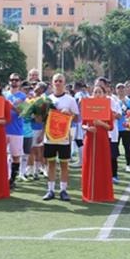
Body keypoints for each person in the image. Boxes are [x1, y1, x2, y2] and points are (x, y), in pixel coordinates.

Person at [42, 73, 79, 201]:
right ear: (52, 83)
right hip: (50, 136)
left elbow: (77, 118)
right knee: (51, 163)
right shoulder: (47, 99)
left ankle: (63, 190)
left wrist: (69, 113)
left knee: (64, 164)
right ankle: (50, 190)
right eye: (56, 81)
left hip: (64, 137)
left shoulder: (70, 100)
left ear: (64, 83)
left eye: (60, 81)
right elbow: (41, 119)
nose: (58, 83)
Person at [80, 84, 115, 202]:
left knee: (102, 165)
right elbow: (83, 124)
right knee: (89, 164)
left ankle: (103, 194)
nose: (97, 94)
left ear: (104, 94)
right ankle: (88, 193)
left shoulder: (107, 109)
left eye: (100, 92)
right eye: (95, 92)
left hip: (102, 140)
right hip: (90, 139)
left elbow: (110, 127)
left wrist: (101, 123)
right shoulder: (88, 107)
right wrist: (87, 128)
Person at [4, 73, 26, 189]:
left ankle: (12, 179)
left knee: (16, 156)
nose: (14, 82)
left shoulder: (23, 96)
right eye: (12, 80)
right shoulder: (4, 95)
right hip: (3, 129)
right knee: (3, 155)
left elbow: (22, 112)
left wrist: (11, 106)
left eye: (16, 80)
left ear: (20, 82)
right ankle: (4, 177)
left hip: (17, 130)